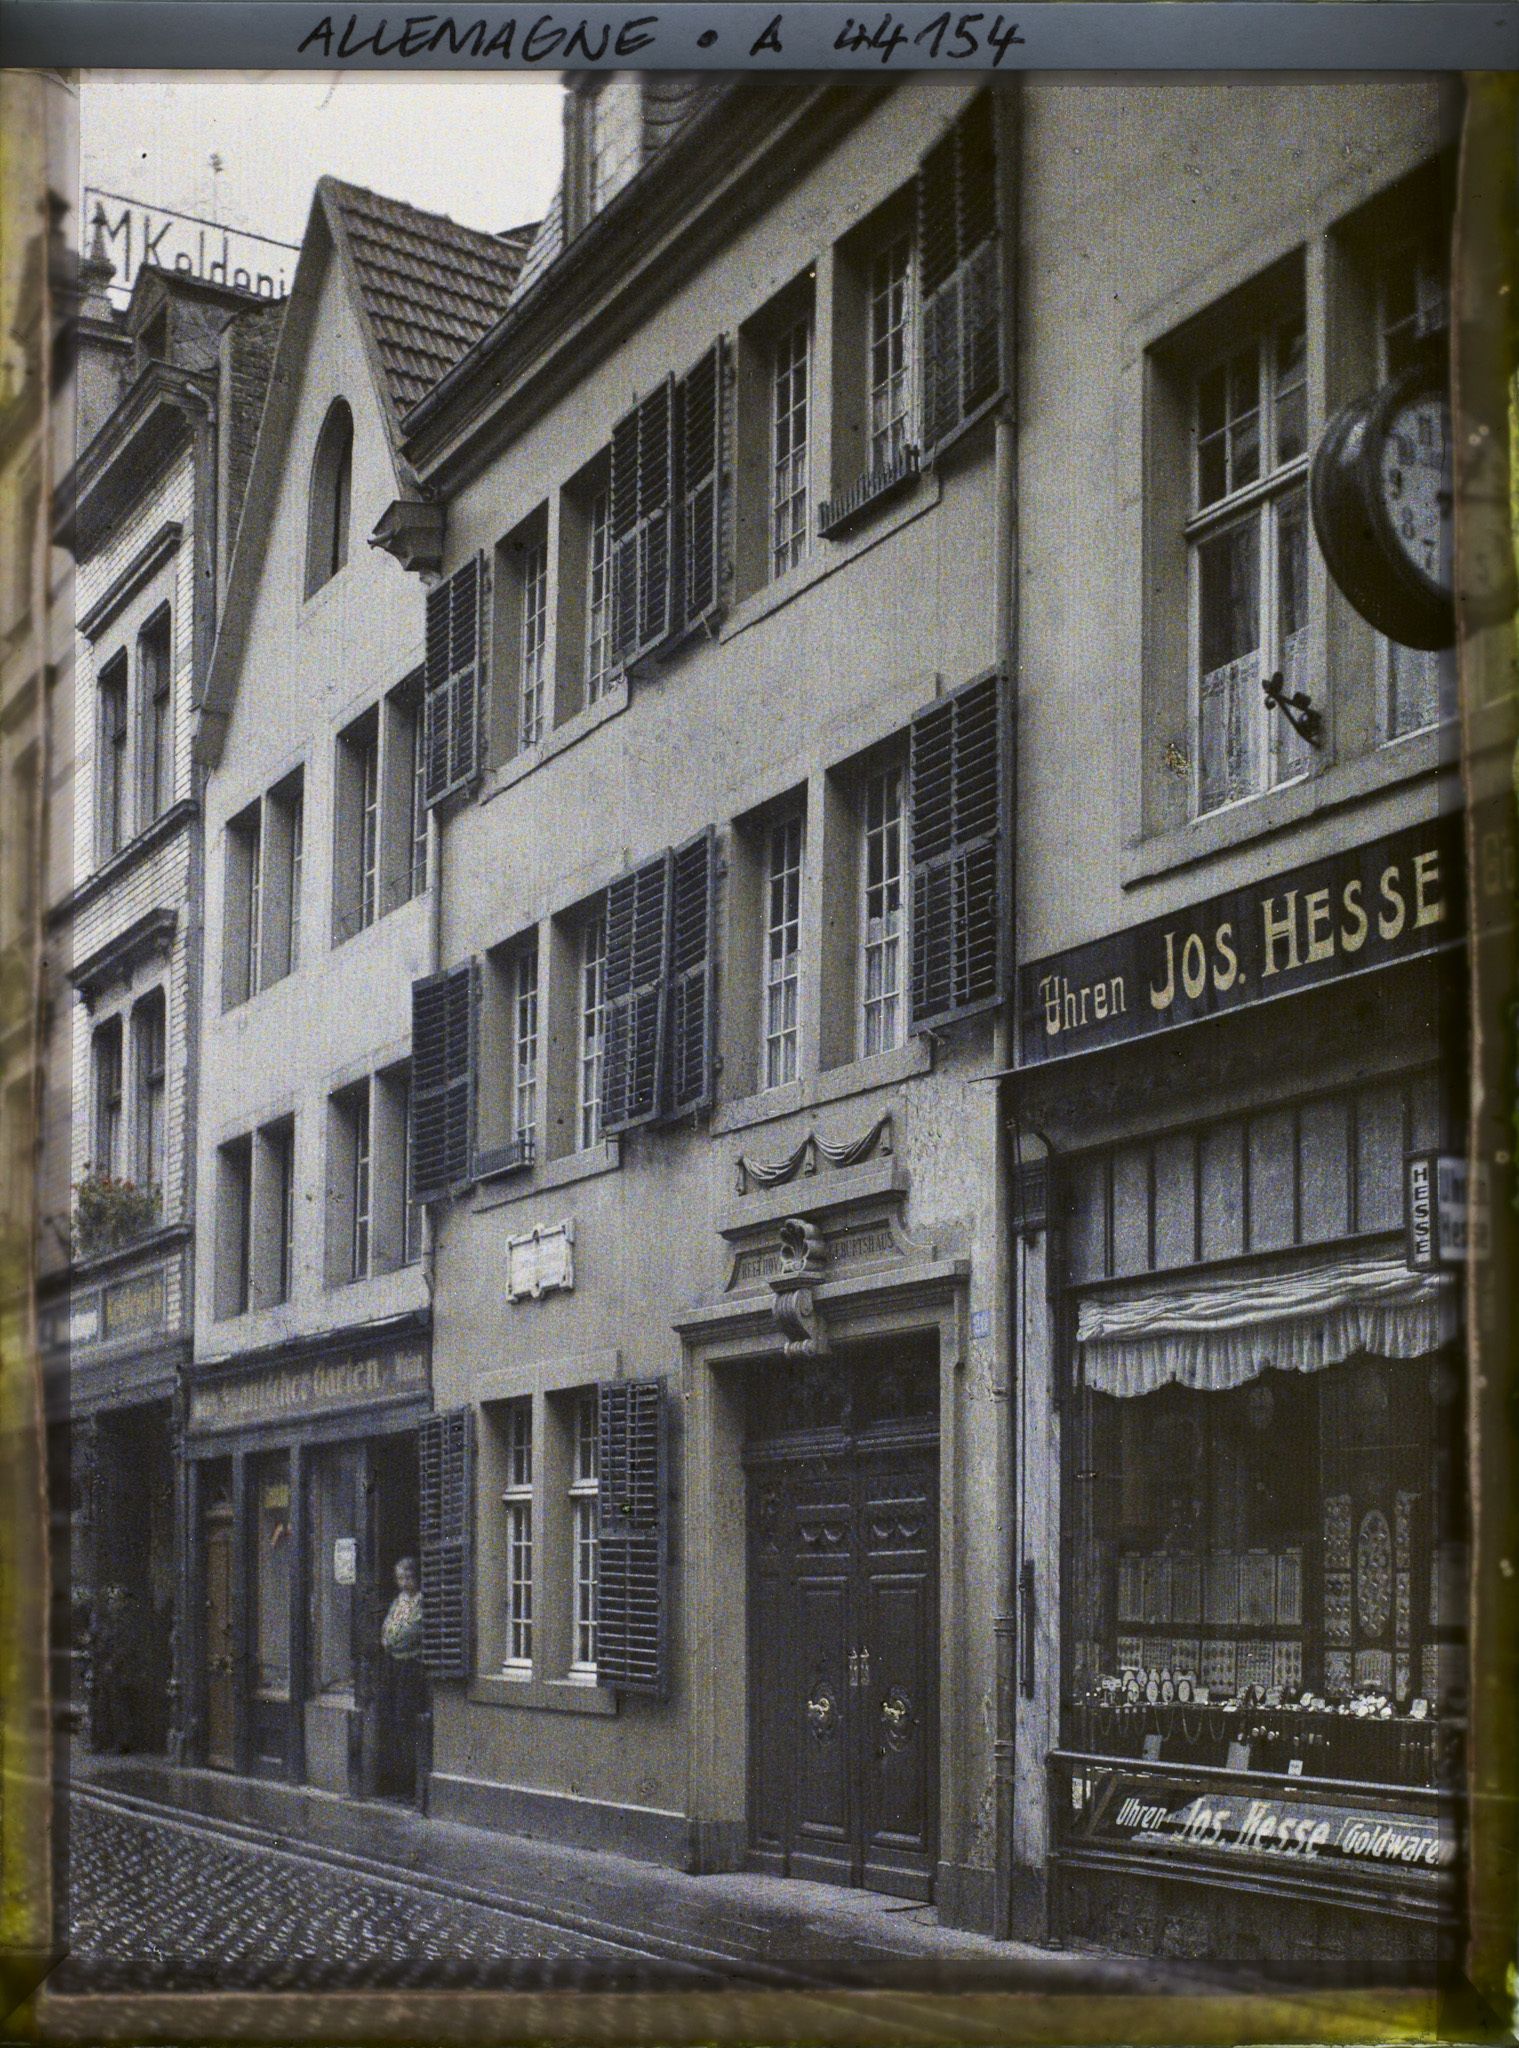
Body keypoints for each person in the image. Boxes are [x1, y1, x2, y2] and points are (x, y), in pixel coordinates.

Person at [379, 1555, 425, 1798]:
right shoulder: (398, 1602)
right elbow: (387, 1628)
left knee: (406, 1719)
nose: (404, 1582)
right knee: (393, 1720)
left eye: (407, 1577)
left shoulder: (420, 1602)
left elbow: (409, 1631)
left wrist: (392, 1639)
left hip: (410, 1666)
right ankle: (396, 1779)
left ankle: (409, 1782)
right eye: (400, 1578)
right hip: (394, 1666)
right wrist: (387, 1638)